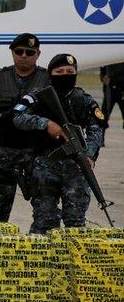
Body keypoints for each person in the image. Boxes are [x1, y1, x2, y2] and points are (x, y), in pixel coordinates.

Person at [13, 53, 105, 233]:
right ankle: (42, 259)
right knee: (44, 220)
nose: (65, 75)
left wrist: (89, 154)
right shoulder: (37, 96)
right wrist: (46, 124)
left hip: (76, 165)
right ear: (50, 73)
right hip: (45, 163)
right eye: (59, 71)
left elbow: (96, 130)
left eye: (70, 71)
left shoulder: (83, 99)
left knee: (75, 221)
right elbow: (18, 117)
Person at [0, 33, 49, 222]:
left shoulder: (47, 80)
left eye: (29, 52)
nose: (24, 56)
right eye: (19, 51)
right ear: (12, 53)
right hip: (5, 153)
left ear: (38, 54)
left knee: (45, 207)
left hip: (37, 154)